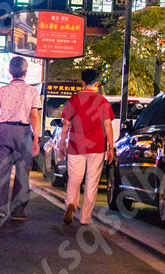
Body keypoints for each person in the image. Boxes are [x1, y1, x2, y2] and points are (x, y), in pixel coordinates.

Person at [0, 56, 41, 221]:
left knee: (1, 171)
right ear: (25, 72)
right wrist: (36, 139)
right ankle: (18, 210)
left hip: (4, 131)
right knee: (23, 172)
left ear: (9, 72)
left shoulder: (2, 90)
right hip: (24, 132)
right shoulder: (32, 91)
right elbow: (34, 116)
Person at [58, 69, 115, 225]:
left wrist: (62, 143)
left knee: (75, 178)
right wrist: (111, 147)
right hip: (97, 146)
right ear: (97, 83)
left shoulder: (74, 99)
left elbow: (66, 124)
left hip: (76, 145)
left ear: (82, 82)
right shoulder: (102, 101)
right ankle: (85, 218)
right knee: (92, 181)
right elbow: (108, 125)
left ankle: (71, 203)